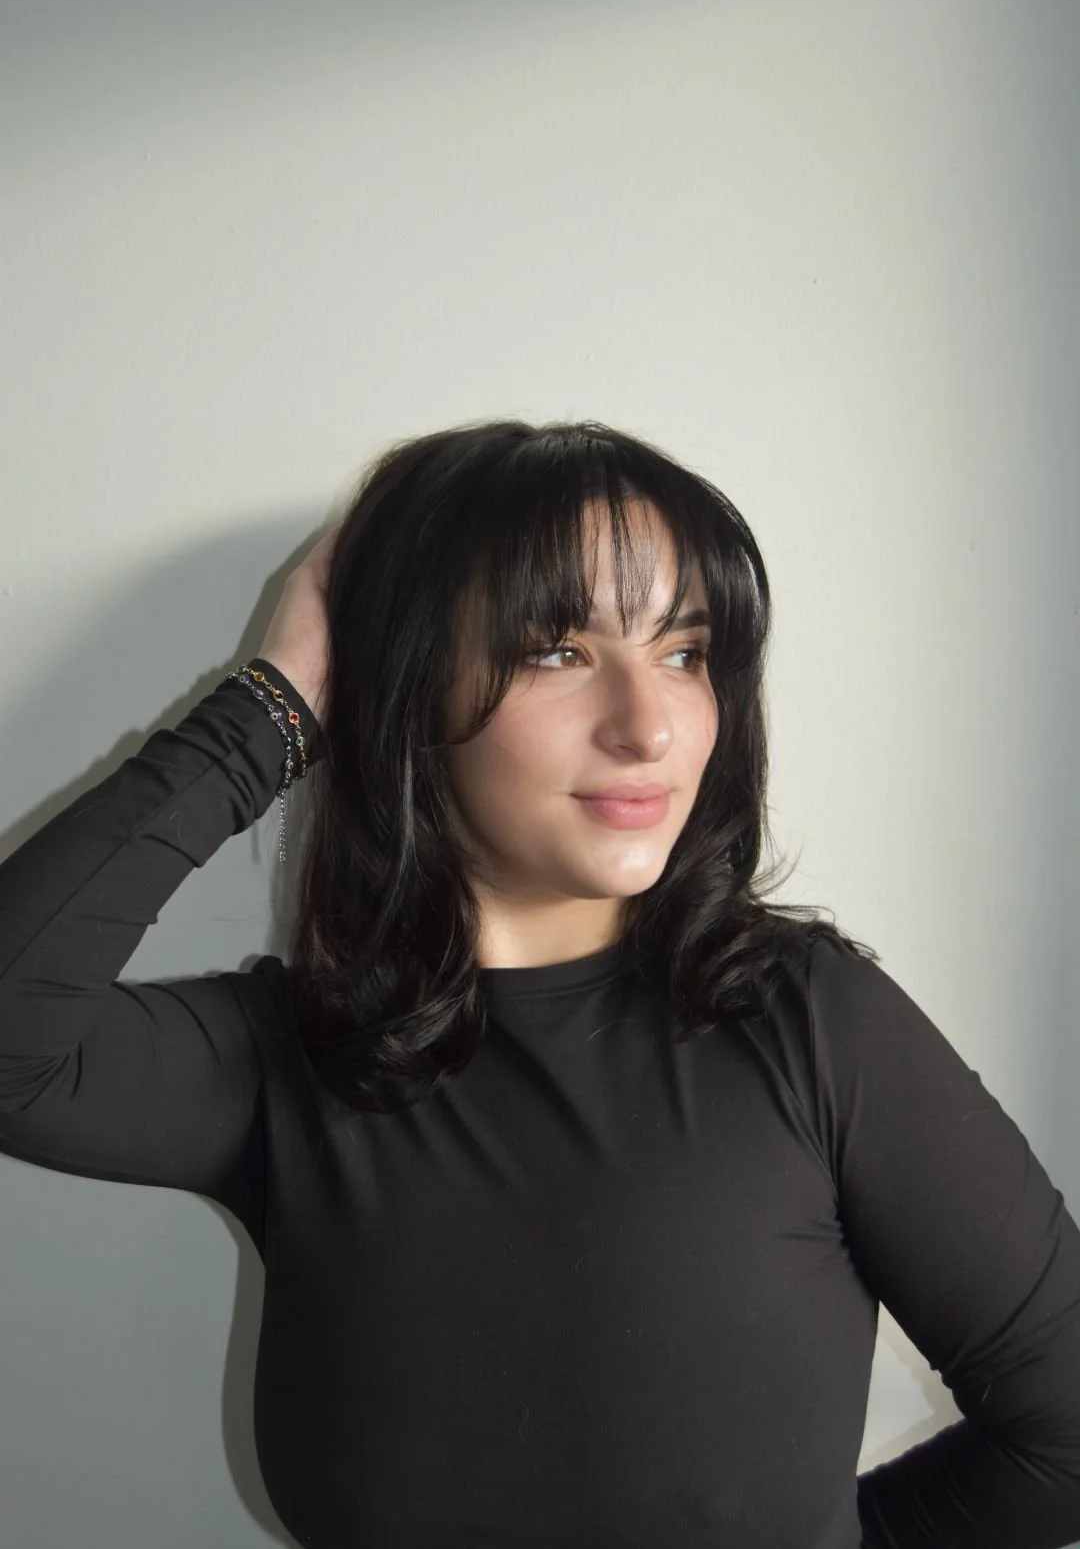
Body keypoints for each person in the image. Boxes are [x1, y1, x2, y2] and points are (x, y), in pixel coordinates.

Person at [0, 417, 1078, 1549]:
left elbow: (1064, 1436)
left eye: (685, 653)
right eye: (559, 651)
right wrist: (266, 714)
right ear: (410, 685)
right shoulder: (292, 1057)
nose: (649, 727)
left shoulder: (810, 1025)